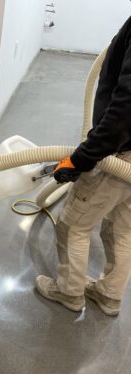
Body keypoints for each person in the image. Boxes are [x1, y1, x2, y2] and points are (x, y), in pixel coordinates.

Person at [35, 17, 131, 316]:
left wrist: (80, 159)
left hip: (119, 155)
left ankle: (68, 292)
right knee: (123, 228)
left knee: (74, 225)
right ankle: (109, 295)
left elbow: (124, 112)